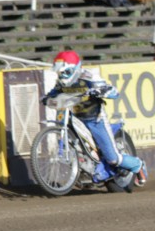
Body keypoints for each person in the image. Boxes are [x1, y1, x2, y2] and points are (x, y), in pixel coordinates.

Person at [43, 50, 146, 184]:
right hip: (76, 119)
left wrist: (99, 91)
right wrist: (46, 98)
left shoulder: (88, 77)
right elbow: (52, 94)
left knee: (113, 159)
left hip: (95, 120)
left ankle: (137, 165)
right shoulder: (61, 84)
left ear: (74, 69)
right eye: (60, 73)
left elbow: (113, 91)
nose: (62, 76)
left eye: (65, 72)